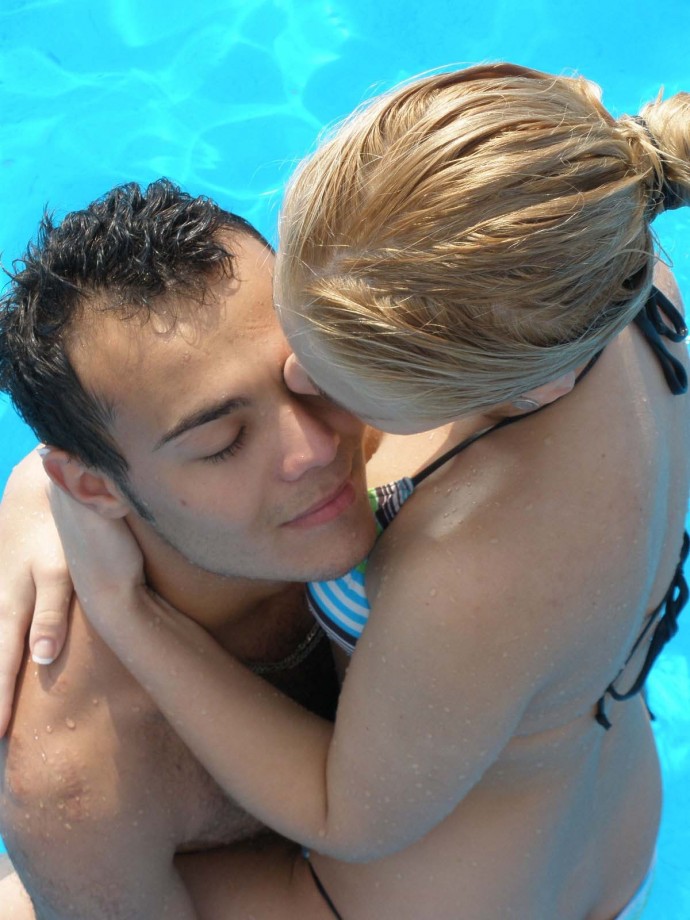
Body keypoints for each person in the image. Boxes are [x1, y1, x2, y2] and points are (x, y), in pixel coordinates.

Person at [2, 61, 690, 919]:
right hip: (616, 830)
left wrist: (124, 610)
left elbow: (345, 813)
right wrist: (48, 482)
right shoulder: (607, 279)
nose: (302, 375)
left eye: (335, 373)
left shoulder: (470, 555)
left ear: (505, 388)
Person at [0, 178, 379, 918]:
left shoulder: (395, 414)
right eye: (223, 443)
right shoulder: (79, 771)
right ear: (93, 489)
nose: (317, 447)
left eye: (305, 375)